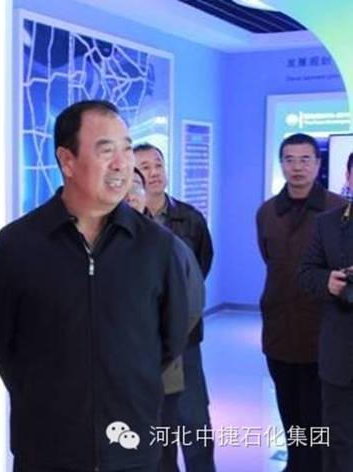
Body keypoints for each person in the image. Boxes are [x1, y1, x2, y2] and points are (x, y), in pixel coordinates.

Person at [0, 100, 189, 472]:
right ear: (67, 161)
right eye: (106, 150)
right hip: (46, 448)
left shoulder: (156, 246)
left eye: (127, 149)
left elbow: (171, 338)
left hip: (131, 447)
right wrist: (45, 391)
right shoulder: (18, 245)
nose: (122, 164)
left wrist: (124, 380)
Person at [256, 133, 346, 472]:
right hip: (279, 329)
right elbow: (270, 259)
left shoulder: (339, 209)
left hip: (325, 333)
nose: (297, 167)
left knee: (321, 416)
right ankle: (296, 464)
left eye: (305, 159)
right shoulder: (267, 212)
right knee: (289, 410)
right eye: (290, 160)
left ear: (318, 164)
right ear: (281, 164)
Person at [134, 143, 215, 472]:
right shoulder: (125, 221)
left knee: (195, 423)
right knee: (157, 429)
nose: (154, 173)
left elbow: (200, 268)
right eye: (144, 167)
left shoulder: (189, 218)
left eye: (158, 165)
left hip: (185, 338)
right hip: (142, 343)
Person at [298, 151, 353, 472]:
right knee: (338, 440)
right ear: (348, 178)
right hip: (340, 353)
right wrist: (327, 282)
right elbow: (305, 272)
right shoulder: (328, 224)